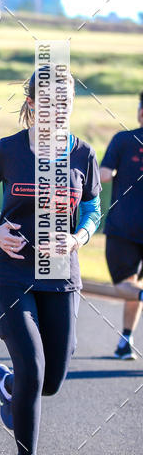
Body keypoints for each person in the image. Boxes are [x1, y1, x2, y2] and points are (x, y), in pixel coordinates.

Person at [0, 68, 101, 455]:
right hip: (11, 269)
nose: (60, 111)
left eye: (67, 101)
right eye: (51, 102)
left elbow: (93, 209)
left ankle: (7, 387)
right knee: (33, 366)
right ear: (33, 105)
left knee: (51, 380)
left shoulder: (83, 154)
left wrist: (79, 237)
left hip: (61, 275)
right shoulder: (9, 151)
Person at [99, 91, 143, 360]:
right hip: (127, 227)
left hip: (124, 227)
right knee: (134, 285)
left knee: (123, 284)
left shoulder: (124, 139)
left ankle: (126, 339)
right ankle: (125, 340)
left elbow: (104, 175)